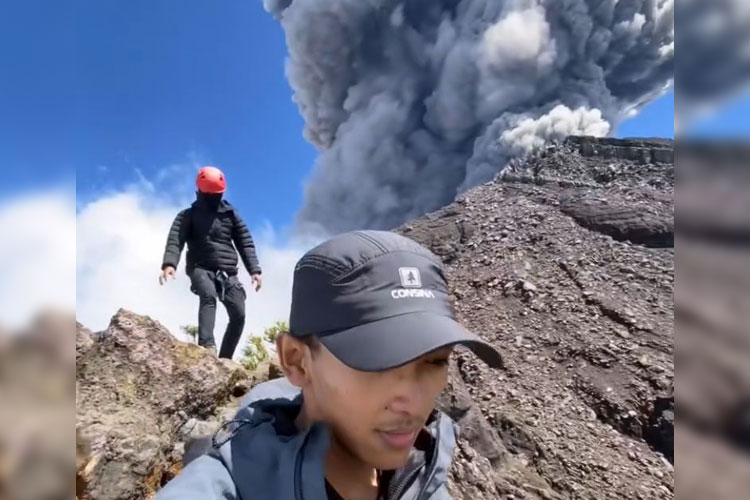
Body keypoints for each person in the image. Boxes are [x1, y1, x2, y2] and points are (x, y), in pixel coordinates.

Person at [155, 230, 503, 500]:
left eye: (435, 361)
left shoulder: (422, 475)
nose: (416, 404)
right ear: (296, 361)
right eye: (379, 363)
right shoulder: (226, 486)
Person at [159, 166, 262, 359]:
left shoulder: (231, 214)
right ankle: (207, 349)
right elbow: (175, 240)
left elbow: (245, 242)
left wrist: (254, 270)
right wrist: (169, 264)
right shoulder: (187, 216)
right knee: (208, 297)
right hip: (200, 267)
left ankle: (225, 359)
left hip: (228, 272)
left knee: (239, 315)